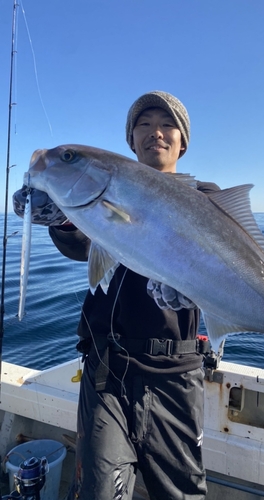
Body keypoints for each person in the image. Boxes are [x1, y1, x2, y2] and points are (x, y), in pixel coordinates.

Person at [13, 91, 220, 500]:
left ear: (183, 140)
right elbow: (84, 247)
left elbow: (229, 275)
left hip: (175, 373)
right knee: (99, 494)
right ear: (130, 141)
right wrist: (61, 218)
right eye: (143, 125)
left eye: (166, 124)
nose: (155, 132)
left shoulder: (206, 199)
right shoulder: (105, 193)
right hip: (106, 369)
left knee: (182, 494)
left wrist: (196, 294)